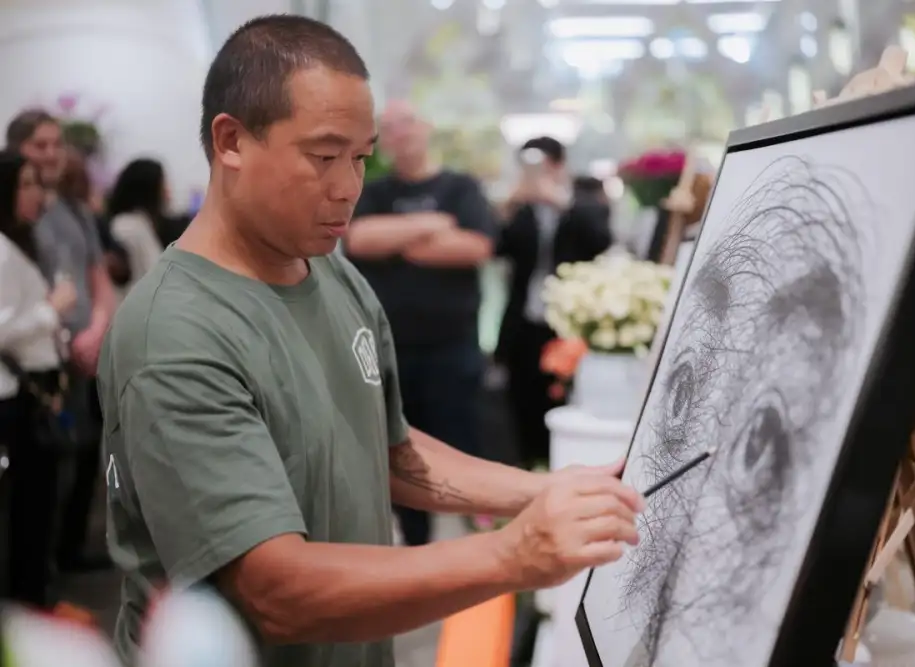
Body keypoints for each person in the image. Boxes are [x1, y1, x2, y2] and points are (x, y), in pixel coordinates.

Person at [99, 15, 640, 667]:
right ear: (231, 140)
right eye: (324, 157)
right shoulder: (175, 335)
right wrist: (513, 553)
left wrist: (539, 490)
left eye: (360, 157)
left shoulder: (329, 272)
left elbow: (381, 446)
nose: (349, 188)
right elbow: (276, 590)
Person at [344, 100, 497, 546]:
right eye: (388, 128)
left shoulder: (461, 188)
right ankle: (415, 543)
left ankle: (480, 539)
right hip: (390, 348)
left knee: (462, 441)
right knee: (399, 448)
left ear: (426, 127)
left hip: (453, 345)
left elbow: (474, 248)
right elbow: (359, 239)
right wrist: (431, 224)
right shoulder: (372, 191)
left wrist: (396, 240)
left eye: (406, 123)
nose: (399, 134)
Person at [7, 109, 118, 572]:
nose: (51, 154)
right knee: (44, 474)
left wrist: (97, 328)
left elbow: (99, 277)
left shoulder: (74, 209)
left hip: (85, 351)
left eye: (56, 144)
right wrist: (62, 332)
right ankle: (42, 572)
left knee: (84, 457)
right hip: (39, 360)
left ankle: (68, 555)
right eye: (40, 145)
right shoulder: (14, 218)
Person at [496, 137, 613, 467]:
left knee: (564, 402)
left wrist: (560, 202)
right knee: (522, 403)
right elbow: (496, 247)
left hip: (568, 326)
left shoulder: (583, 201)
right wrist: (509, 205)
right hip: (524, 323)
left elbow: (600, 240)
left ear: (559, 166)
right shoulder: (521, 209)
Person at [0, 151, 76, 606]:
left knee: (39, 505)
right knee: (26, 511)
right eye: (26, 185)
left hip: (33, 388)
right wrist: (52, 310)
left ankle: (36, 599)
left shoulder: (23, 243)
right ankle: (27, 606)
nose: (36, 195)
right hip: (14, 395)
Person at [58, 148, 132, 287]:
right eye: (70, 180)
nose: (76, 187)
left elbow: (121, 263)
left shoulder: (91, 219)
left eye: (80, 179)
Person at [105, 158, 167, 296]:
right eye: (163, 184)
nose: (167, 191)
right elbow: (153, 275)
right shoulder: (127, 226)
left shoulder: (141, 224)